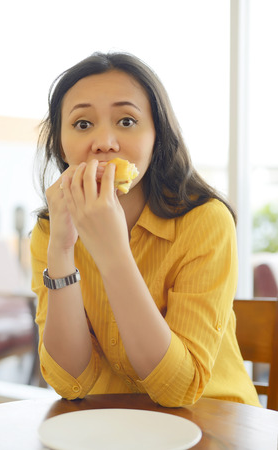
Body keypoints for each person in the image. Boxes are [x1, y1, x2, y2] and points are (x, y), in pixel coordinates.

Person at [30, 51, 260, 407]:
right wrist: (61, 251)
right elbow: (69, 381)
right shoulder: (50, 229)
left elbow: (178, 389)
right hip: (110, 429)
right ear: (60, 143)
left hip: (212, 422)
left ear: (158, 135)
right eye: (82, 124)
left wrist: (112, 253)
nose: (104, 141)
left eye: (126, 121)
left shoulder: (206, 222)